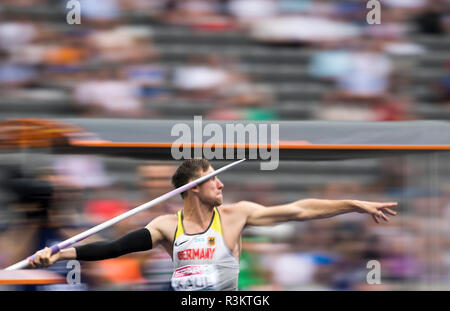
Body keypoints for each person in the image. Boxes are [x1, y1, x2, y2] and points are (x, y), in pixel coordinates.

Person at [29, 158, 398, 291]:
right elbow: (112, 248)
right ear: (192, 189)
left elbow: (300, 210)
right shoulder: (164, 226)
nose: (220, 183)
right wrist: (59, 253)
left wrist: (354, 205)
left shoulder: (237, 215)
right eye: (212, 178)